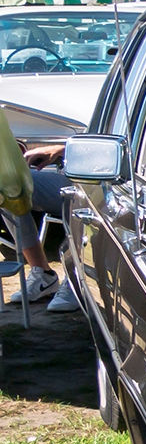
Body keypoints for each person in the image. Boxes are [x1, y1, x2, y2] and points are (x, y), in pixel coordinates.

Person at [1, 126, 77, 312]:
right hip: (69, 169)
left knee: (83, 194)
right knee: (7, 184)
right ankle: (44, 274)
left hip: (102, 178)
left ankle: (77, 279)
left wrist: (63, 149)